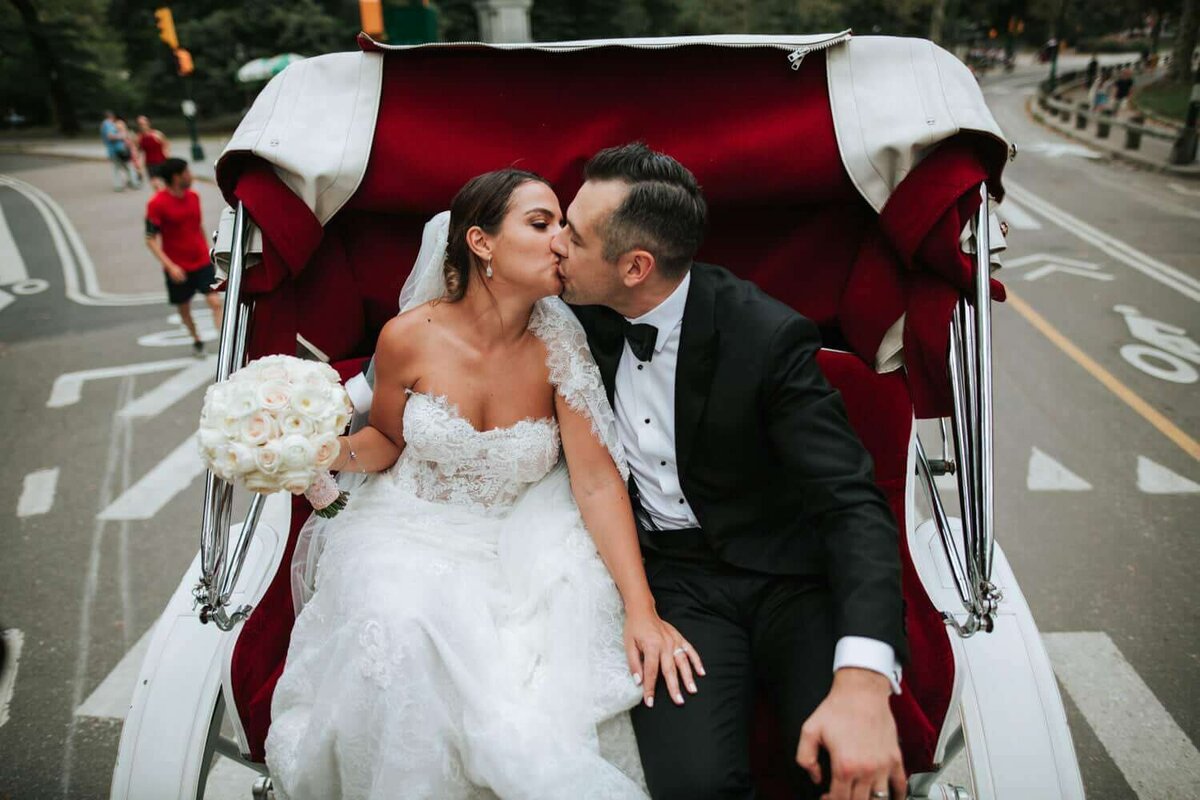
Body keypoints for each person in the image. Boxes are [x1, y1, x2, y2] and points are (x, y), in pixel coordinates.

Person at [266, 170, 701, 799]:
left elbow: (598, 484)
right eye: (541, 222)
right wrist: (315, 451)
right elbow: (386, 441)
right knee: (401, 624)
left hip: (518, 544)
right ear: (481, 243)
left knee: (522, 705)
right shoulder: (408, 336)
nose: (561, 241)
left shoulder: (561, 350)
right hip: (405, 530)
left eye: (563, 225)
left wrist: (643, 608)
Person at [555, 143, 908, 800]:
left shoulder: (767, 337)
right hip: (675, 585)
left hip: (790, 578)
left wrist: (863, 679)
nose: (556, 249)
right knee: (691, 786)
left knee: (846, 770)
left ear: (635, 266)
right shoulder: (565, 313)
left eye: (573, 237)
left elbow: (850, 502)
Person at [144, 158, 222, 354]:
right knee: (184, 308)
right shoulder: (156, 204)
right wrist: (170, 266)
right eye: (187, 172)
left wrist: (208, 252)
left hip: (202, 261)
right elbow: (150, 239)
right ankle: (196, 338)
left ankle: (223, 343)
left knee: (215, 302)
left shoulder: (194, 197)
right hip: (177, 266)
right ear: (176, 177)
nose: (191, 175)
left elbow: (198, 226)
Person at [99, 110, 139, 191]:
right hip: (119, 149)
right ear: (112, 116)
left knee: (119, 167)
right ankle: (131, 183)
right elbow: (110, 136)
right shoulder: (108, 124)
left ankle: (124, 183)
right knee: (127, 166)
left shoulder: (103, 125)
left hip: (113, 150)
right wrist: (123, 136)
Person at [135, 115, 171, 190]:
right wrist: (139, 167)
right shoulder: (139, 138)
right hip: (150, 164)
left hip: (161, 162)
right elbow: (139, 152)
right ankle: (161, 200)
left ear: (148, 123)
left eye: (144, 123)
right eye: (140, 124)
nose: (142, 126)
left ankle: (168, 199)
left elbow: (166, 145)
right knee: (155, 185)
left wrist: (168, 158)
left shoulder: (157, 134)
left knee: (165, 184)